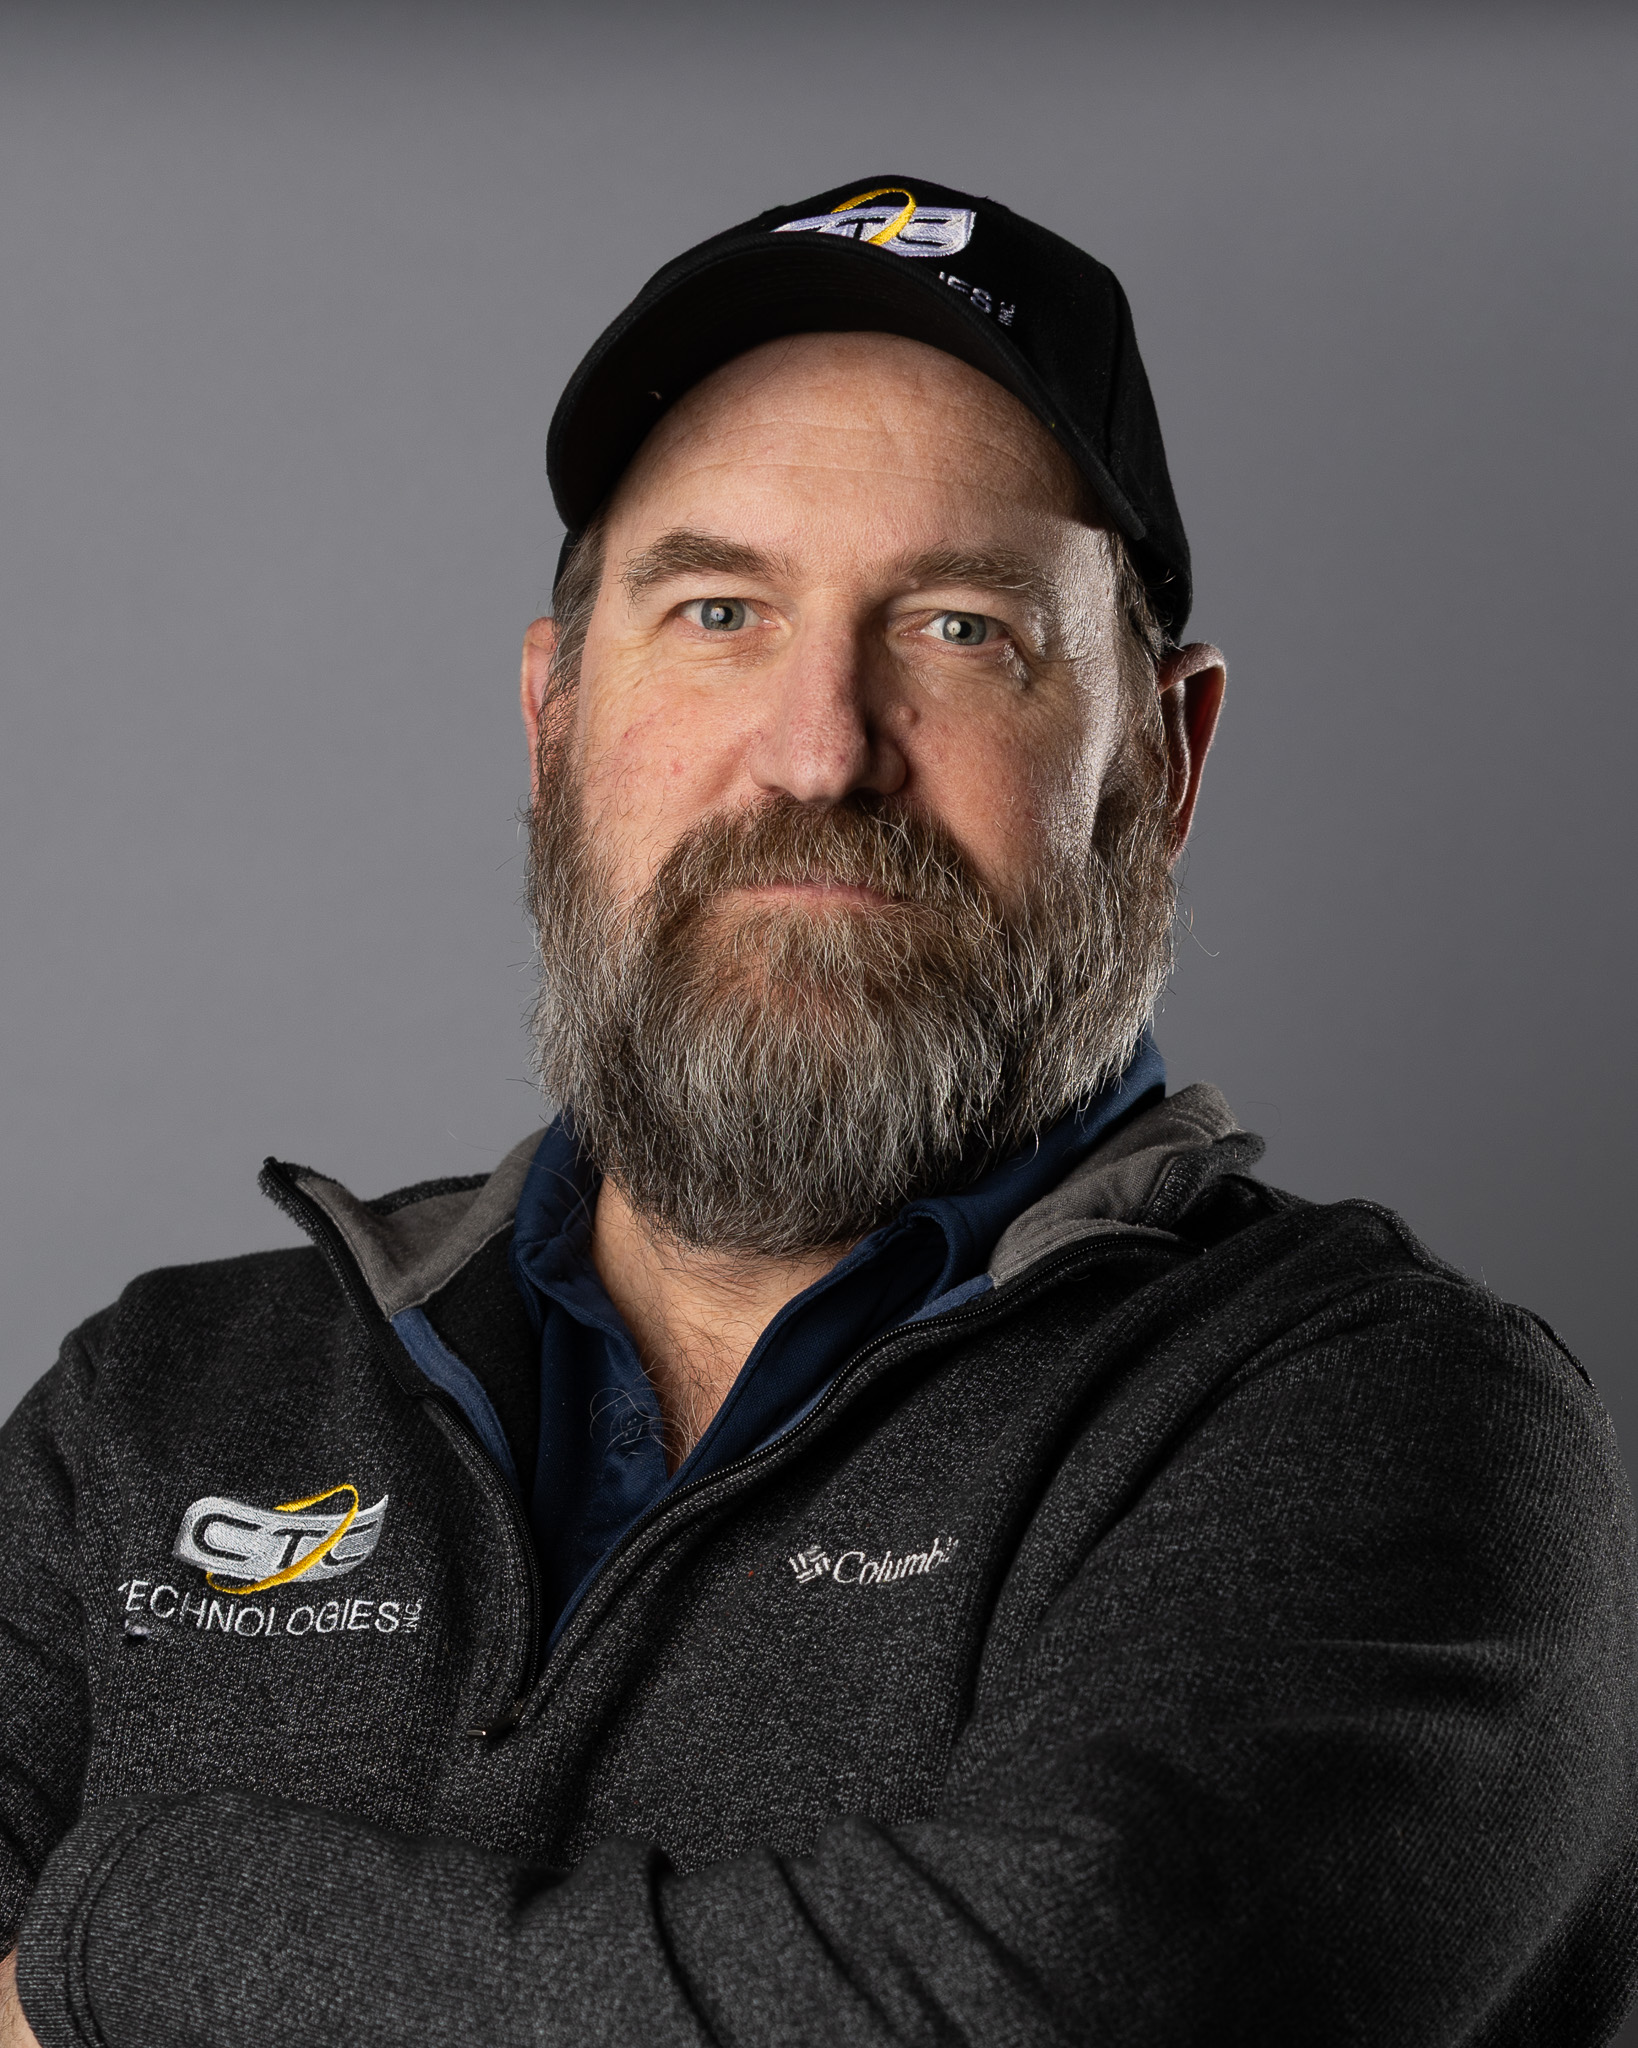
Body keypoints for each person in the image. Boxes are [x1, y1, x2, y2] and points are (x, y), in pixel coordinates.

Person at [0, 175, 1632, 2048]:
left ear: (1160, 763)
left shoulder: (1373, 1418)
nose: (816, 750)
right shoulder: (165, 1407)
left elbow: (1037, 2004)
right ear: (551, 724)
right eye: (717, 611)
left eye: (959, 629)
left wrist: (122, 1947)